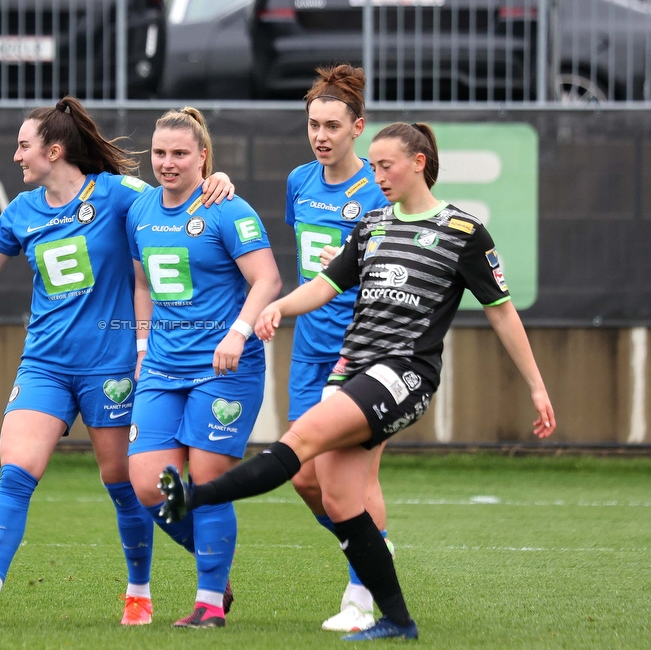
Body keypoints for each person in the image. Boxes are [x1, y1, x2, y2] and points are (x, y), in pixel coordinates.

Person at [158, 121, 556, 641]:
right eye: (373, 165)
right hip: (351, 370)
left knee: (299, 440)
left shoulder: (462, 232)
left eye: (385, 165)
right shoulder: (372, 225)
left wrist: (537, 386)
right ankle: (397, 621)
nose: (377, 174)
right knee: (341, 501)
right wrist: (276, 306)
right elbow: (323, 286)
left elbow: (502, 312)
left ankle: (195, 497)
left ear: (418, 163)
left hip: (404, 373)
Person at [0, 97, 235, 628]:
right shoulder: (20, 212)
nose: (16, 155)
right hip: (44, 364)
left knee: (124, 484)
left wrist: (214, 180)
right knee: (15, 473)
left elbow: (174, 198)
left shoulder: (115, 194)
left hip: (110, 368)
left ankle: (142, 592)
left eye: (23, 145)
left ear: (53, 150)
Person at [125, 107, 282, 629]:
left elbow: (267, 280)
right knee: (149, 483)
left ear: (203, 157)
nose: (167, 164)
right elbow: (142, 283)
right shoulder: (138, 208)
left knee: (208, 479)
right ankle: (215, 565)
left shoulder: (228, 208)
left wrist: (238, 333)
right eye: (160, 153)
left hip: (225, 366)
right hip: (163, 366)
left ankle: (209, 602)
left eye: (180, 154)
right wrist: (143, 347)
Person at [285, 64, 393, 633]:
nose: (321, 135)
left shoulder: (378, 189)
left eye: (332, 125)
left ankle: (360, 596)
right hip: (309, 353)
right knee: (305, 478)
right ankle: (376, 553)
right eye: (313, 124)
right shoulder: (299, 181)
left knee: (346, 481)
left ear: (358, 128)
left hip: (364, 354)